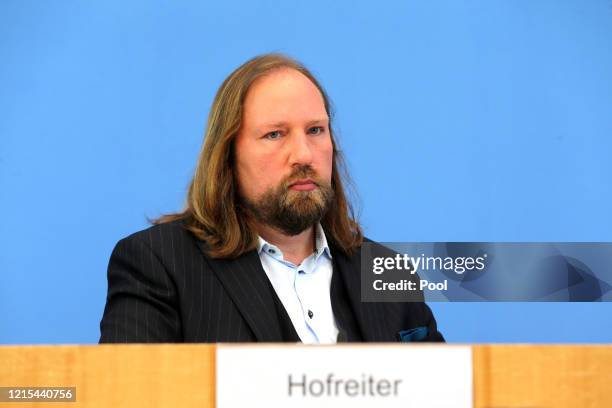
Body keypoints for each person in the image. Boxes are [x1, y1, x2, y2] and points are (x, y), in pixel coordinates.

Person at [99, 53, 444, 343]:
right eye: (275, 134)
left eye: (315, 130)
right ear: (228, 156)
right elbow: (126, 393)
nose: (303, 154)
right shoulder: (158, 264)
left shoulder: (388, 272)